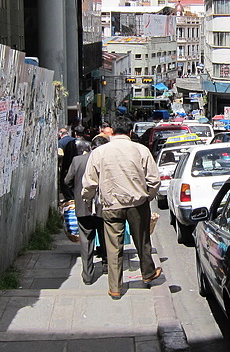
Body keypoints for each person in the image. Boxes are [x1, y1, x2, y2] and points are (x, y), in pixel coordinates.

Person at [81, 116, 162, 299]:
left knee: (113, 247)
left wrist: (87, 201)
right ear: (131, 132)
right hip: (137, 204)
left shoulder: (99, 152)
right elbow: (154, 180)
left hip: (111, 205)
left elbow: (89, 183)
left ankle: (115, 288)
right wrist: (148, 196)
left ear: (111, 132)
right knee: (142, 241)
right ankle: (148, 273)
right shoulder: (141, 150)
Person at [64, 139, 105, 285]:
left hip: (83, 206)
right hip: (102, 206)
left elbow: (67, 181)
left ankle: (87, 275)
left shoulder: (77, 160)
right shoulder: (105, 160)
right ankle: (106, 264)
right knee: (104, 234)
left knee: (86, 240)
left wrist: (76, 192)